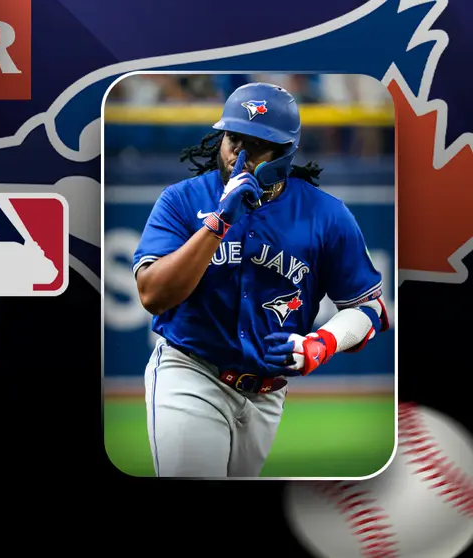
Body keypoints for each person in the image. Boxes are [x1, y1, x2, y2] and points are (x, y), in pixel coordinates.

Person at [132, 82, 389, 478]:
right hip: (190, 373)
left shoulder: (326, 215)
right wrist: (219, 223)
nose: (239, 153)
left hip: (267, 394)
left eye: (256, 144)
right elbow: (152, 294)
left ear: (285, 152)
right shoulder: (182, 200)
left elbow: (369, 308)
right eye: (234, 138)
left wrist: (322, 343)